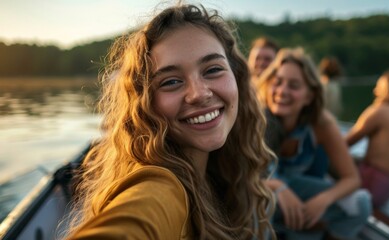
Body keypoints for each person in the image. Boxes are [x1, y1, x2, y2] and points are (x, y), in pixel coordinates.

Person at [65, 4, 276, 240]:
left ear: (236, 77)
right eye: (171, 82)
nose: (199, 93)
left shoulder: (223, 171)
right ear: (145, 104)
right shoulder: (161, 186)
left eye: (213, 69)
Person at [257, 47, 371, 239]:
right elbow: (239, 179)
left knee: (361, 204)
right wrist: (277, 186)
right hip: (261, 193)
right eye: (277, 83)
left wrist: (323, 200)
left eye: (293, 86)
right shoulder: (255, 118)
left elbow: (352, 178)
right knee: (255, 202)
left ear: (309, 96)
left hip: (298, 193)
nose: (282, 91)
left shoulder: (321, 124)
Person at [346, 69, 389, 209]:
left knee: (325, 155)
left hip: (370, 187)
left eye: (379, 87)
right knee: (353, 159)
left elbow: (344, 144)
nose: (375, 91)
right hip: (387, 190)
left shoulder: (380, 111)